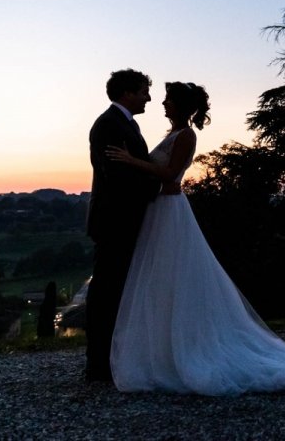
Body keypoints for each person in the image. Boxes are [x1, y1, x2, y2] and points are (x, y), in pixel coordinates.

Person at [105, 81, 285, 395]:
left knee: (174, 278)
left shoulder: (186, 135)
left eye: (168, 100)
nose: (163, 104)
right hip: (159, 210)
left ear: (182, 106)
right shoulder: (172, 134)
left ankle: (183, 349)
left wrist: (131, 161)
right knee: (161, 281)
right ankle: (162, 348)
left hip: (170, 209)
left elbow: (170, 174)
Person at [85, 68, 162, 383]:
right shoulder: (108, 125)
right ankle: (99, 365)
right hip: (115, 220)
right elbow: (118, 176)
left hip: (126, 219)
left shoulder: (127, 124)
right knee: (106, 291)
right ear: (127, 92)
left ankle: (114, 359)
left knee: (119, 290)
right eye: (144, 90)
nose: (149, 97)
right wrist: (157, 189)